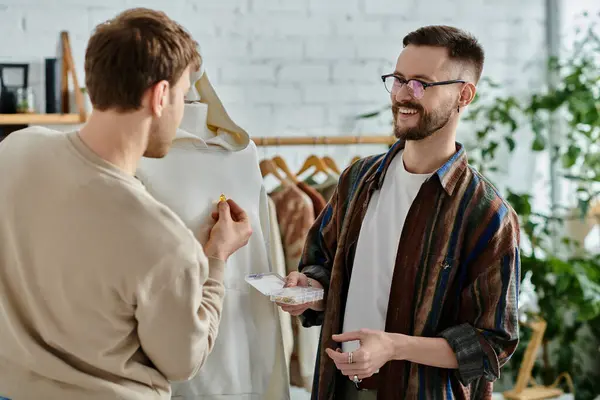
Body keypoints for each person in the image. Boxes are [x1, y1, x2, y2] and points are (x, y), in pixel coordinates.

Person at [0, 8, 252, 400]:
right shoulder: (163, 240)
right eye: (184, 96)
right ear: (161, 96)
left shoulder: (15, 151)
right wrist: (216, 259)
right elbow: (183, 361)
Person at [279, 25, 521, 400]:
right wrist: (310, 291)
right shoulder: (358, 179)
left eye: (422, 84)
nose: (404, 95)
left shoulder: (486, 214)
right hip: (339, 388)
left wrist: (393, 347)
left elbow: (491, 343)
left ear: (464, 95)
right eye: (399, 79)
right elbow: (322, 267)